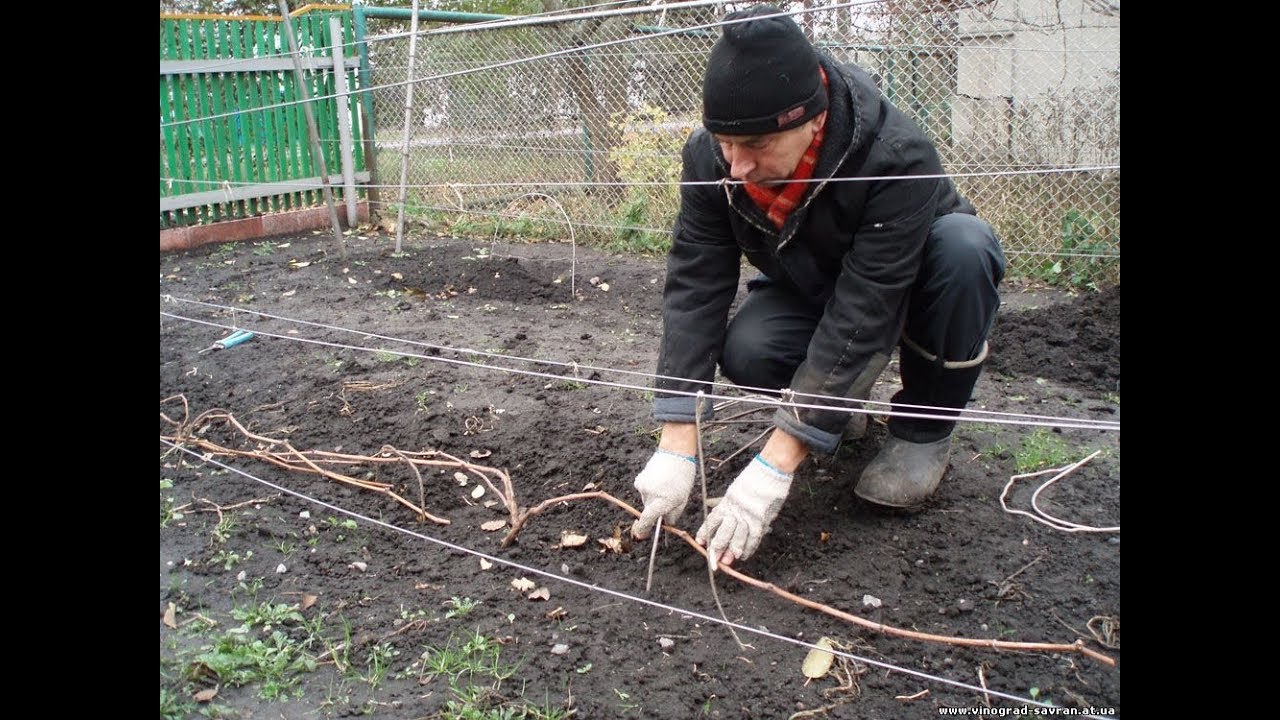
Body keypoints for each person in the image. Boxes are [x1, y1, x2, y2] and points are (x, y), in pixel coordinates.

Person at [629, 5, 1007, 569]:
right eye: (724, 143)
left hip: (916, 280)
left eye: (754, 145)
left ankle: (922, 432)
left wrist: (772, 468)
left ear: (810, 119)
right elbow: (696, 279)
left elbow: (868, 304)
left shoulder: (895, 155)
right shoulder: (714, 159)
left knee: (965, 247)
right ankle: (834, 415)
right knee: (750, 351)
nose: (735, 166)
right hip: (814, 282)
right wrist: (677, 434)